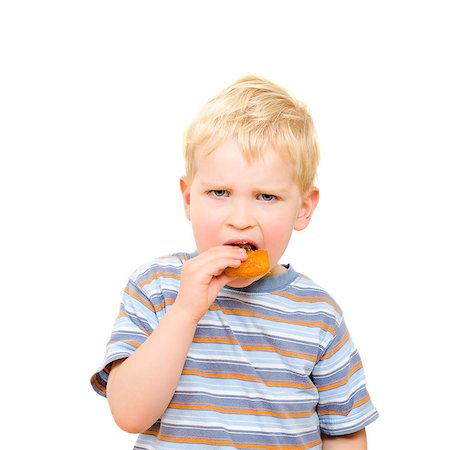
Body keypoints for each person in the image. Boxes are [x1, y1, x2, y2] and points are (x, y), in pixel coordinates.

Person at [91, 75, 379, 449]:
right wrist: (184, 313)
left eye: (267, 196)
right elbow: (129, 414)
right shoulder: (157, 288)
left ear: (303, 208)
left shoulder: (319, 314)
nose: (240, 217)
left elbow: (346, 432)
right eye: (219, 192)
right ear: (188, 199)